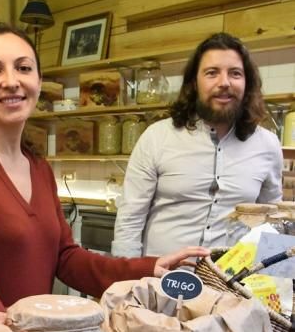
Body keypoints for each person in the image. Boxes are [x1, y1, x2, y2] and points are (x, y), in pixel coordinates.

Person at [0, 23, 208, 323]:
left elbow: (66, 258)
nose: (11, 81)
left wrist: (148, 268)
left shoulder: (39, 168)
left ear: (38, 79)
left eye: (23, 68)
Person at [112, 32, 283, 258]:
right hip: (161, 283)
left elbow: (272, 221)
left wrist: (277, 285)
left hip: (230, 283)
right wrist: (127, 278)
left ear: (247, 83)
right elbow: (130, 218)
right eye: (212, 73)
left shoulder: (268, 145)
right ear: (194, 82)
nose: (224, 82)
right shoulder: (157, 137)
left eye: (235, 73)